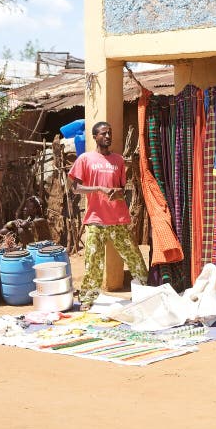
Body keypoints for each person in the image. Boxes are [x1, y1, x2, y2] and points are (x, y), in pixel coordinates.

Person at [68, 121, 148, 310]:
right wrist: (99, 189)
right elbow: (75, 188)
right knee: (93, 262)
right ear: (95, 137)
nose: (108, 136)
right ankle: (87, 298)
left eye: (109, 133)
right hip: (95, 219)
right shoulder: (85, 159)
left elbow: (122, 189)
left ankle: (146, 292)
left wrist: (116, 193)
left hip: (118, 219)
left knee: (134, 256)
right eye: (103, 133)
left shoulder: (118, 160)